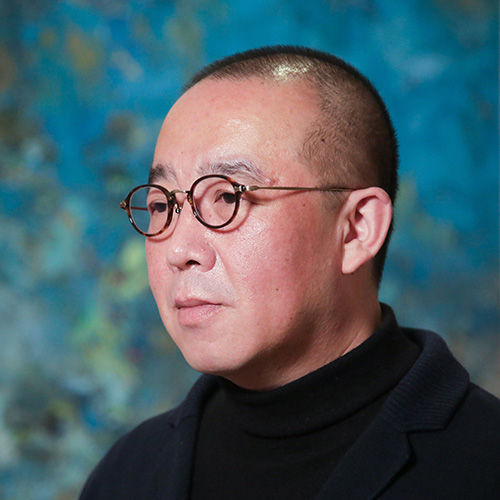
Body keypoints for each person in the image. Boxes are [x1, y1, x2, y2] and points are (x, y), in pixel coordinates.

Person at [79, 46, 500, 499]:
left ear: (356, 228)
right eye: (162, 205)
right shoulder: (128, 472)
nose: (178, 251)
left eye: (227, 197)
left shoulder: (482, 465)